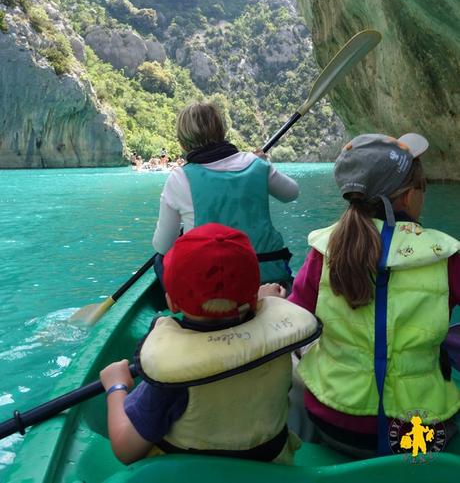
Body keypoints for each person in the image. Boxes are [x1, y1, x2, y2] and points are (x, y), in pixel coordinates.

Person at [286, 133, 460, 458]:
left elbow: (295, 324)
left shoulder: (325, 249)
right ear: (409, 197)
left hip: (335, 423)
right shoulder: (445, 255)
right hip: (418, 435)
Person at [100, 223, 319, 465]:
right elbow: (252, 329)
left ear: (171, 304)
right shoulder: (278, 343)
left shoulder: (172, 371)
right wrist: (264, 305)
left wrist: (116, 386)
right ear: (255, 298)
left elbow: (125, 449)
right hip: (269, 468)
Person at [152, 102, 299, 285]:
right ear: (222, 132)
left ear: (182, 144)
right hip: (265, 274)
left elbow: (164, 245)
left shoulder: (179, 178)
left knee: (159, 259)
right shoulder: (256, 164)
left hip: (212, 284)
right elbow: (291, 193)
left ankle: (179, 305)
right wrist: (264, 164)